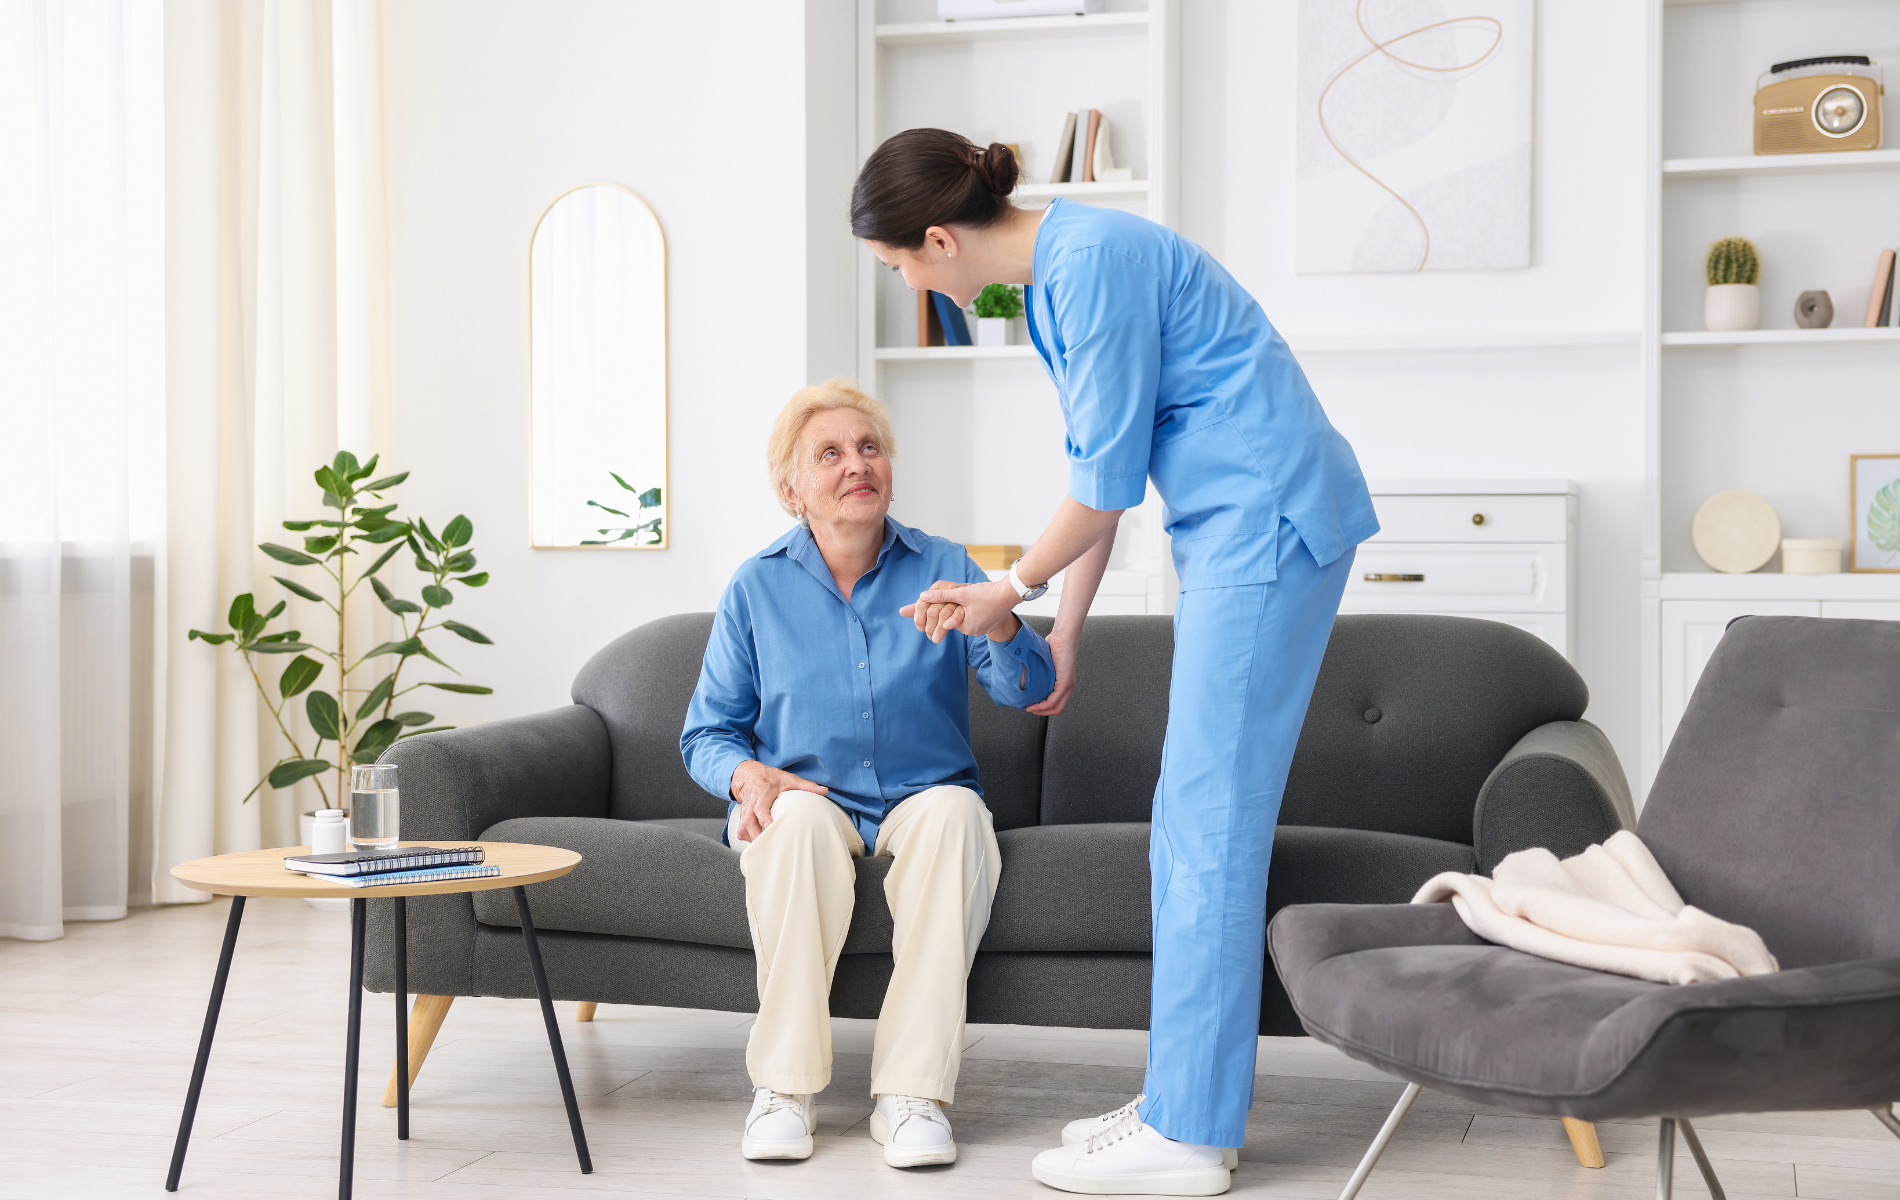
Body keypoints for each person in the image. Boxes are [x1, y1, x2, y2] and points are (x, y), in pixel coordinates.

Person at [851, 129, 1378, 1196]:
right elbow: (1108, 466)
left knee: (1206, 821)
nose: (908, 279)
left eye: (899, 263)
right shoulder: (1058, 276)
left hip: (1266, 519)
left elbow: (1102, 491)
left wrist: (1011, 592)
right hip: (1242, 525)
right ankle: (1184, 1099)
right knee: (1195, 820)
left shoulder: (1085, 269)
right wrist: (1068, 627)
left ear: (939, 239)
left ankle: (1189, 1135)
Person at [679, 378, 1055, 1170]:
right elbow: (708, 732)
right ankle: (782, 1090)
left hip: (926, 796)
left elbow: (1025, 689)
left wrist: (1004, 614)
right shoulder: (756, 587)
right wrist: (747, 778)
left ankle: (912, 1097)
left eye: (870, 447)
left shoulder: (947, 565)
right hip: (810, 798)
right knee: (793, 828)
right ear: (793, 491)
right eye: (831, 454)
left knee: (956, 818)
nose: (858, 464)